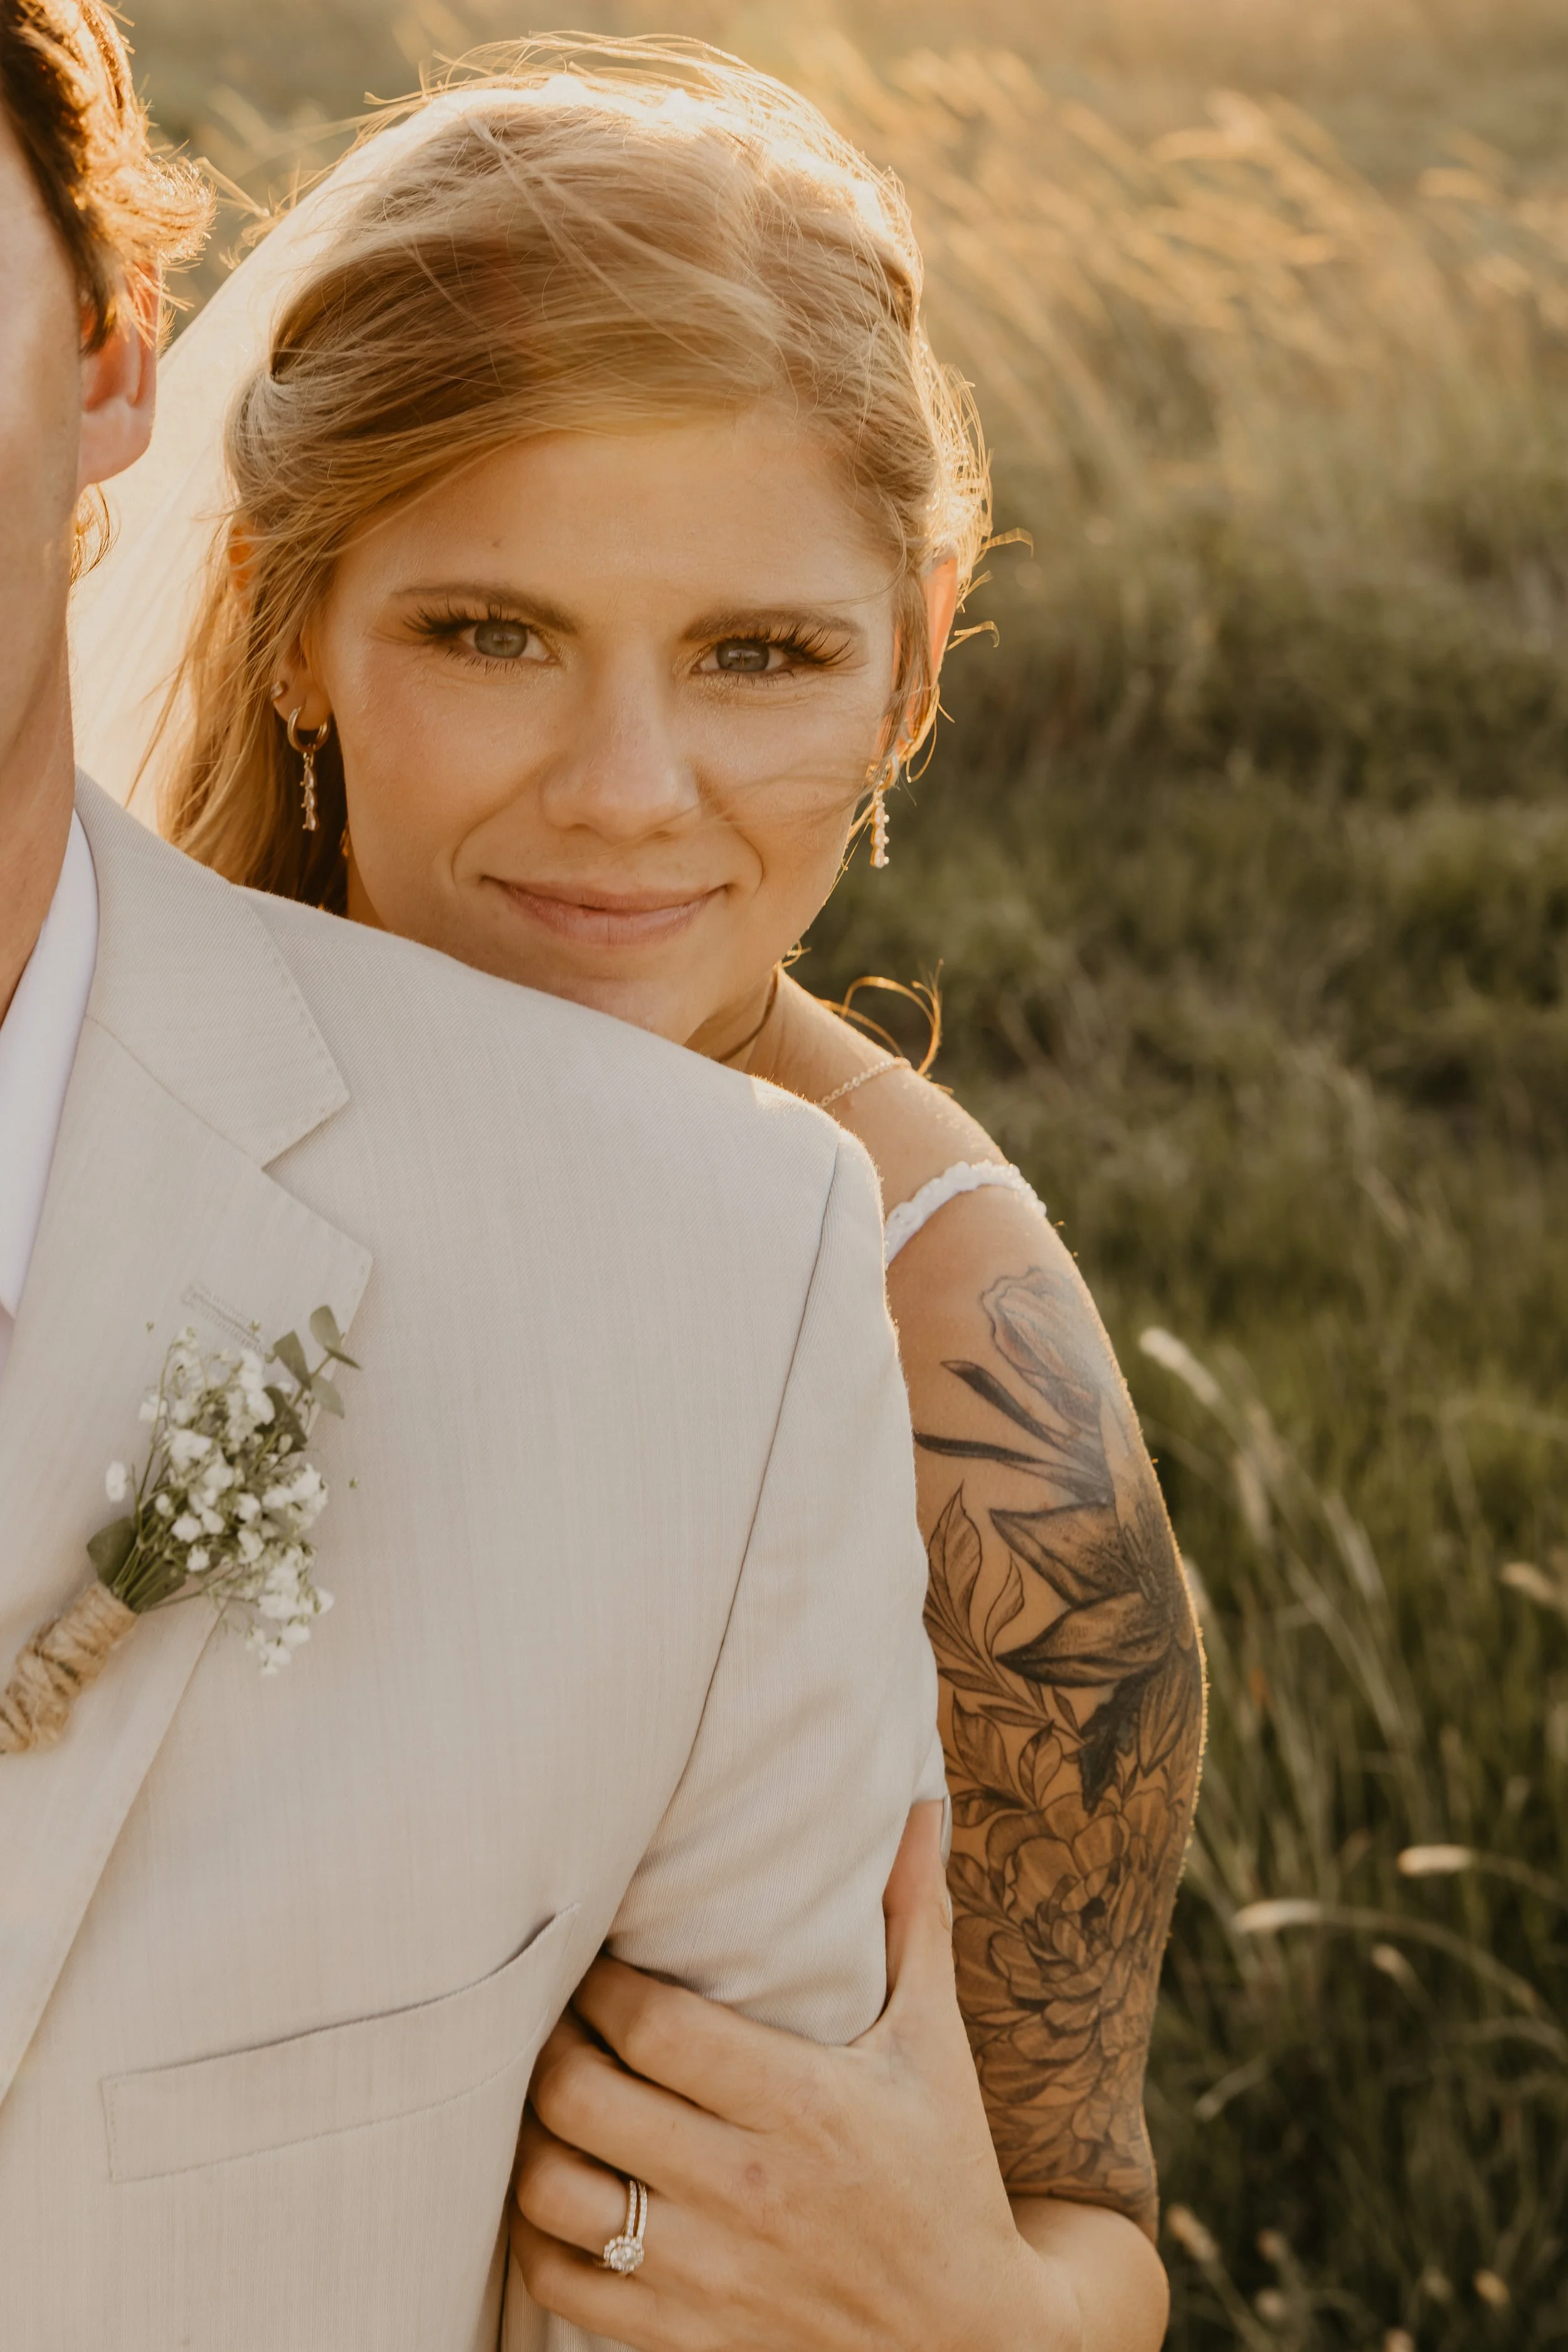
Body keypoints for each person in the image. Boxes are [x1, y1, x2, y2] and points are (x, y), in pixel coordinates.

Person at [73, 34, 1207, 2352]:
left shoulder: (967, 1403)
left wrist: (980, 2310)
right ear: (298, 622)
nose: (625, 793)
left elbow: (1090, 2212)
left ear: (901, 679)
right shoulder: (89, 1089)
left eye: (757, 656)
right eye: (488, 633)